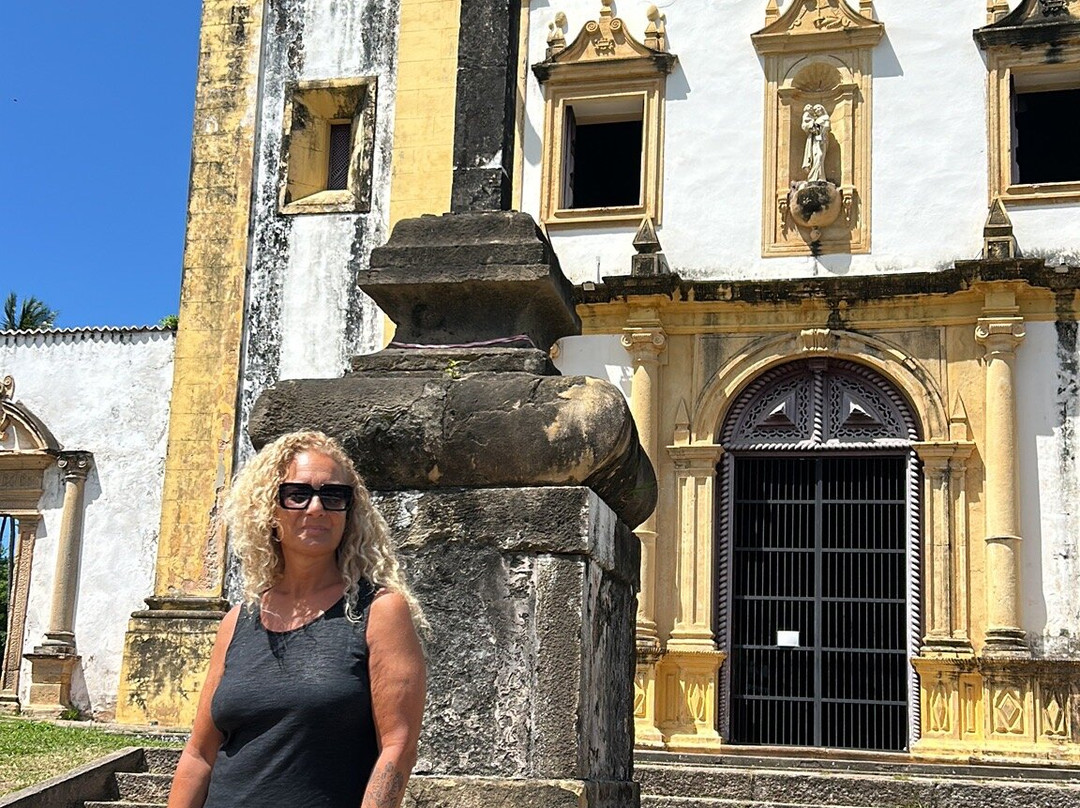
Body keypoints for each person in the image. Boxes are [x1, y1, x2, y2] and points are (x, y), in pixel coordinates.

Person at [167, 430, 427, 808]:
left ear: (349, 511)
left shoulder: (380, 611)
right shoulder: (238, 619)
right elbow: (199, 754)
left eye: (333, 495)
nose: (317, 508)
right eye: (297, 494)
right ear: (269, 509)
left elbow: (398, 748)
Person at [801, 103, 831, 183]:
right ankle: (815, 177)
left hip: (822, 140)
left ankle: (818, 176)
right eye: (816, 109)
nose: (817, 110)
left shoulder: (825, 117)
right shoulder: (814, 119)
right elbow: (806, 126)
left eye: (819, 108)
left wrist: (821, 134)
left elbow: (827, 126)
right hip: (815, 141)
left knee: (820, 156)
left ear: (822, 109)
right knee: (815, 156)